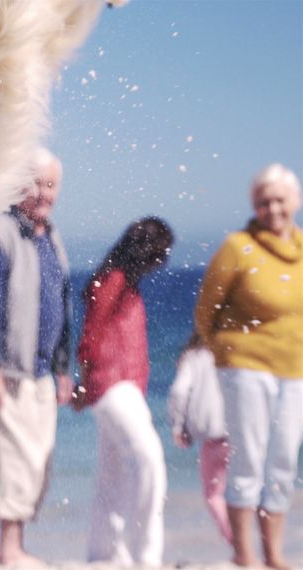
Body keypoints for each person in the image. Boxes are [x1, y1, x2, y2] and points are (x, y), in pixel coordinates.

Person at [194, 163, 303, 570]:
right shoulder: (238, 247)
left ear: (295, 201)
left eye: (279, 199)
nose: (273, 208)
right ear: (254, 206)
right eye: (264, 201)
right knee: (250, 458)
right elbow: (207, 310)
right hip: (245, 366)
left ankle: (274, 555)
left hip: (294, 371)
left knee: (283, 462)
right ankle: (245, 556)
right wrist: (224, 351)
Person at [0, 148, 74, 566]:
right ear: (16, 186)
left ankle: (18, 544)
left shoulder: (53, 237)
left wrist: (64, 369)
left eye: (50, 185)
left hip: (43, 373)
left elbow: (63, 307)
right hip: (8, 370)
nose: (43, 193)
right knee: (15, 462)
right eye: (35, 183)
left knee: (39, 463)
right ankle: (8, 550)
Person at [73, 216, 173, 567]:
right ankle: (147, 557)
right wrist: (83, 383)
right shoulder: (113, 280)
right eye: (160, 254)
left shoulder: (123, 282)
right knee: (150, 462)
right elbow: (91, 334)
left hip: (123, 386)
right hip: (113, 384)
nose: (161, 263)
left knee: (111, 476)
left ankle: (104, 555)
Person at [167, 332, 232, 544]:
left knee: (214, 495)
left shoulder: (193, 357)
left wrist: (178, 425)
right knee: (246, 491)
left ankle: (237, 541)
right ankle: (260, 542)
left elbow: (179, 391)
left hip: (212, 439)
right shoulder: (231, 352)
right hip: (237, 434)